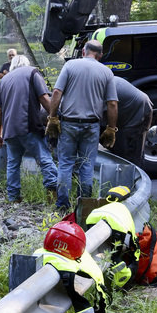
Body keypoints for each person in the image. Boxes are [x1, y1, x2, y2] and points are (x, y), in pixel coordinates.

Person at [48, 39, 118, 211]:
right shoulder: (107, 73)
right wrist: (111, 127)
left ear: (83, 51)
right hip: (91, 126)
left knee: (65, 164)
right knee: (86, 165)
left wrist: (52, 117)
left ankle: (62, 207)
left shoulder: (70, 66)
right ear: (100, 55)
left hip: (69, 123)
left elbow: (56, 92)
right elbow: (113, 103)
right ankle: (84, 208)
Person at [0, 55, 57, 203]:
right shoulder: (32, 72)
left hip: (10, 129)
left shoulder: (4, 80)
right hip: (28, 125)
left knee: (13, 164)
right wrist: (54, 117)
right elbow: (43, 98)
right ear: (26, 63)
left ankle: (13, 197)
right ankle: (53, 194)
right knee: (44, 158)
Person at [109, 77, 154, 168]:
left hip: (139, 110)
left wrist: (111, 129)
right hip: (126, 110)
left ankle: (135, 180)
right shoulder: (98, 80)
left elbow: (112, 105)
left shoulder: (101, 85)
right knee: (119, 152)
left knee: (133, 153)